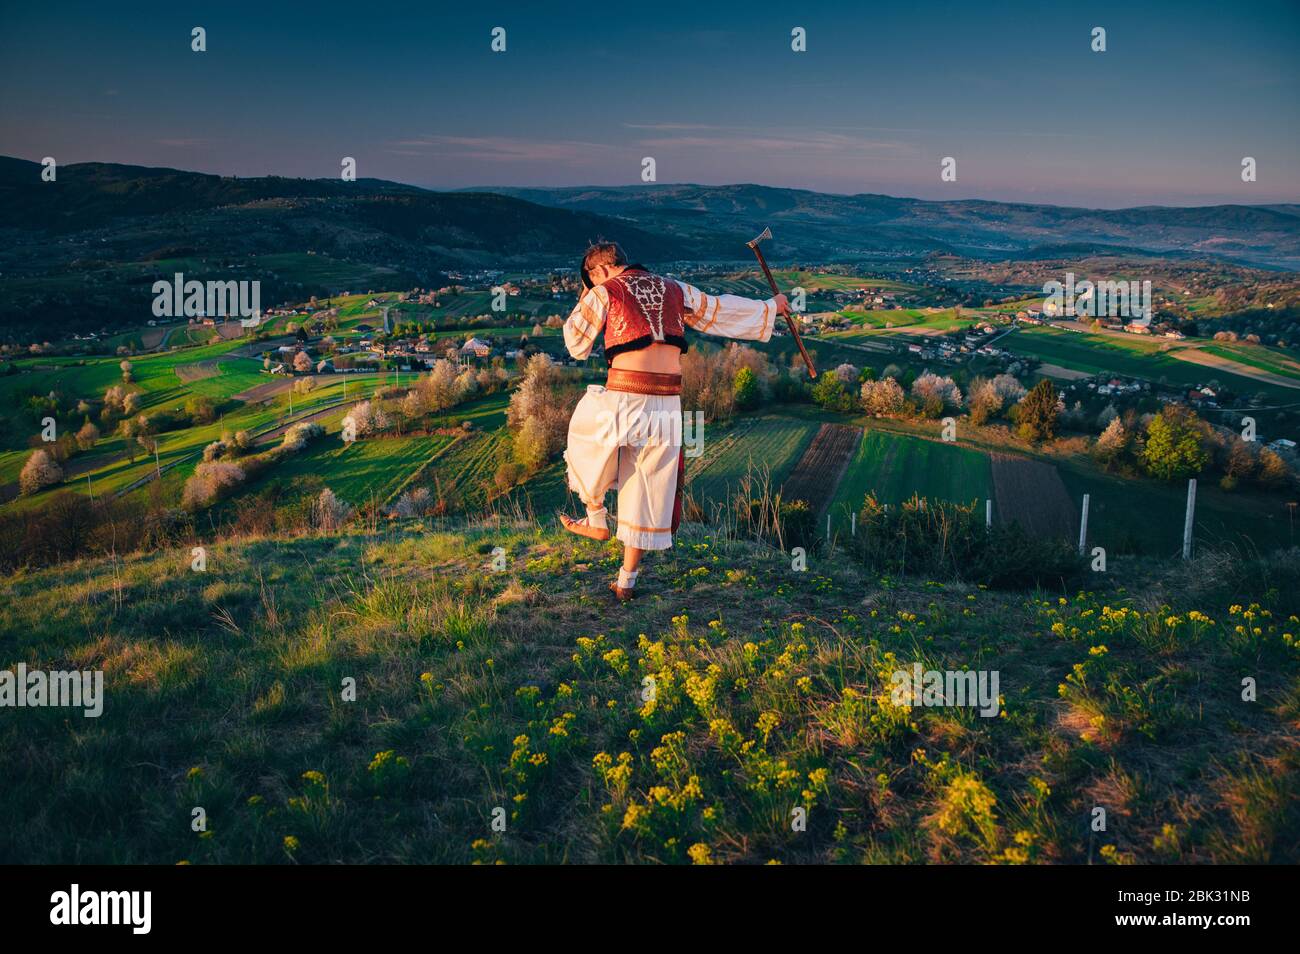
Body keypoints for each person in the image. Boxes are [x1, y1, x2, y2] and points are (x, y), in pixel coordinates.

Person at [560, 240, 790, 601]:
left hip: (625, 396)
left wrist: (587, 295)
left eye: (590, 279)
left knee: (583, 439)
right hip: (667, 403)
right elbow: (718, 311)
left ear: (599, 271)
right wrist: (769, 308)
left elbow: (576, 343)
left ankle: (597, 518)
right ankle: (626, 582)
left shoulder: (604, 290)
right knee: (646, 486)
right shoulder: (674, 287)